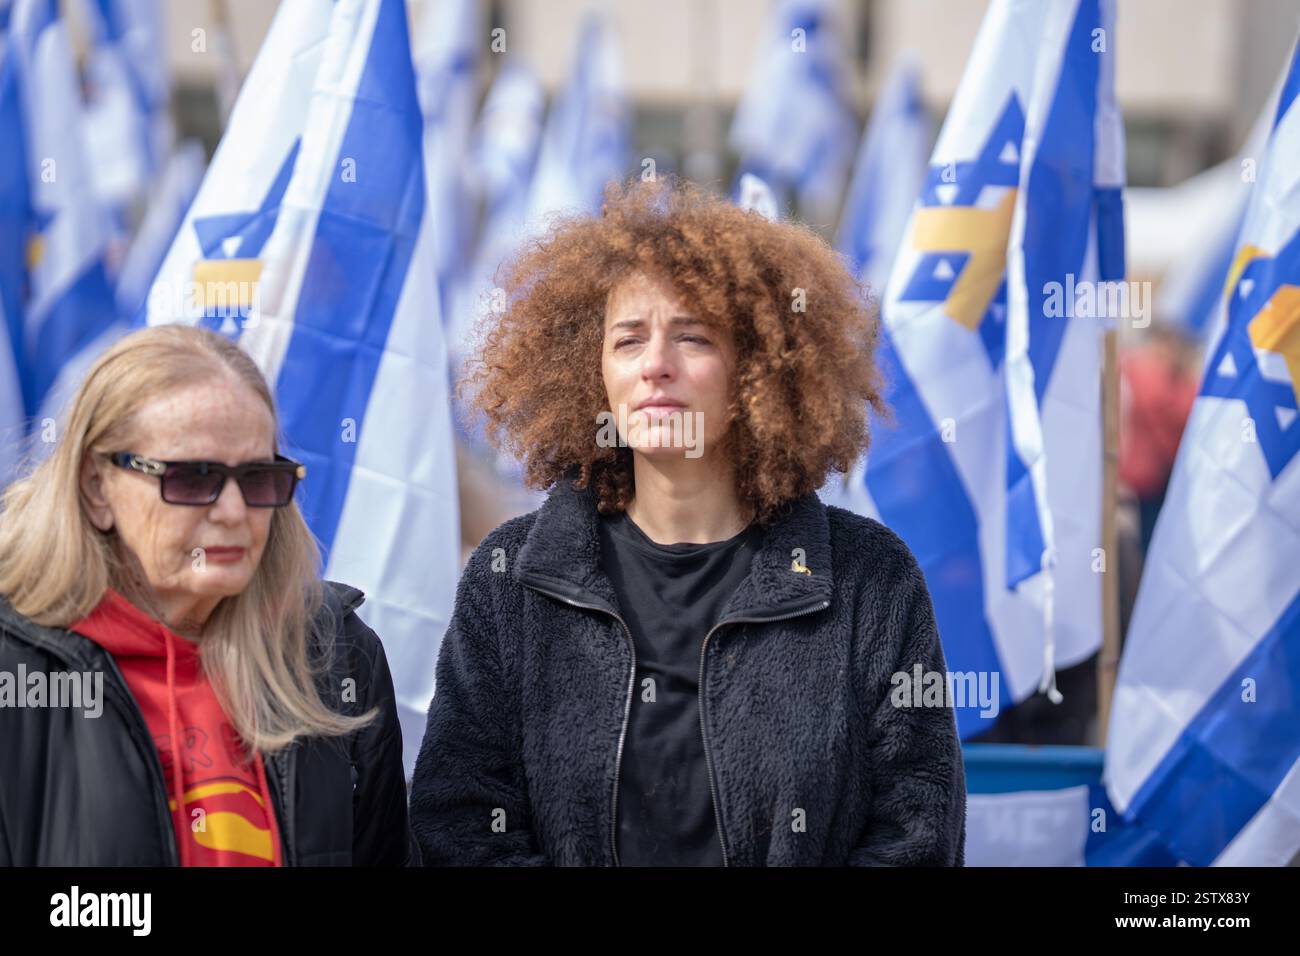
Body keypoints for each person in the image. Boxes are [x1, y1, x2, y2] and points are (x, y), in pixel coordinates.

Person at [411, 177, 966, 866]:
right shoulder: (511, 577)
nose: (655, 367)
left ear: (760, 369)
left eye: (693, 338)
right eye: (628, 340)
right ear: (593, 376)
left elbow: (917, 833)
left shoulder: (868, 578)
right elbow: (458, 826)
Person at [0, 325, 412, 866]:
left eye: (259, 478)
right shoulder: (16, 670)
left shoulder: (336, 656)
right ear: (96, 488)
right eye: (194, 478)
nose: (235, 512)